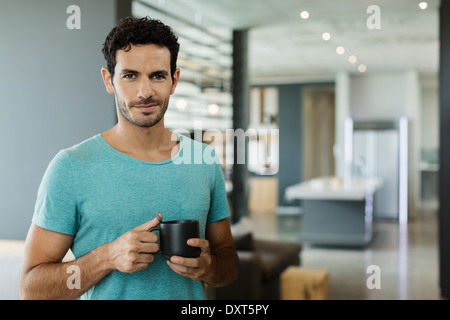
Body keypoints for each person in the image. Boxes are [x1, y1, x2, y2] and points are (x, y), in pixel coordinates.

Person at [20, 16, 239, 300]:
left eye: (158, 76)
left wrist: (208, 267)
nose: (145, 92)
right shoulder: (71, 167)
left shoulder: (203, 160)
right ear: (108, 80)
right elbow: (31, 289)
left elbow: (229, 266)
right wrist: (108, 257)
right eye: (130, 75)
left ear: (174, 80)